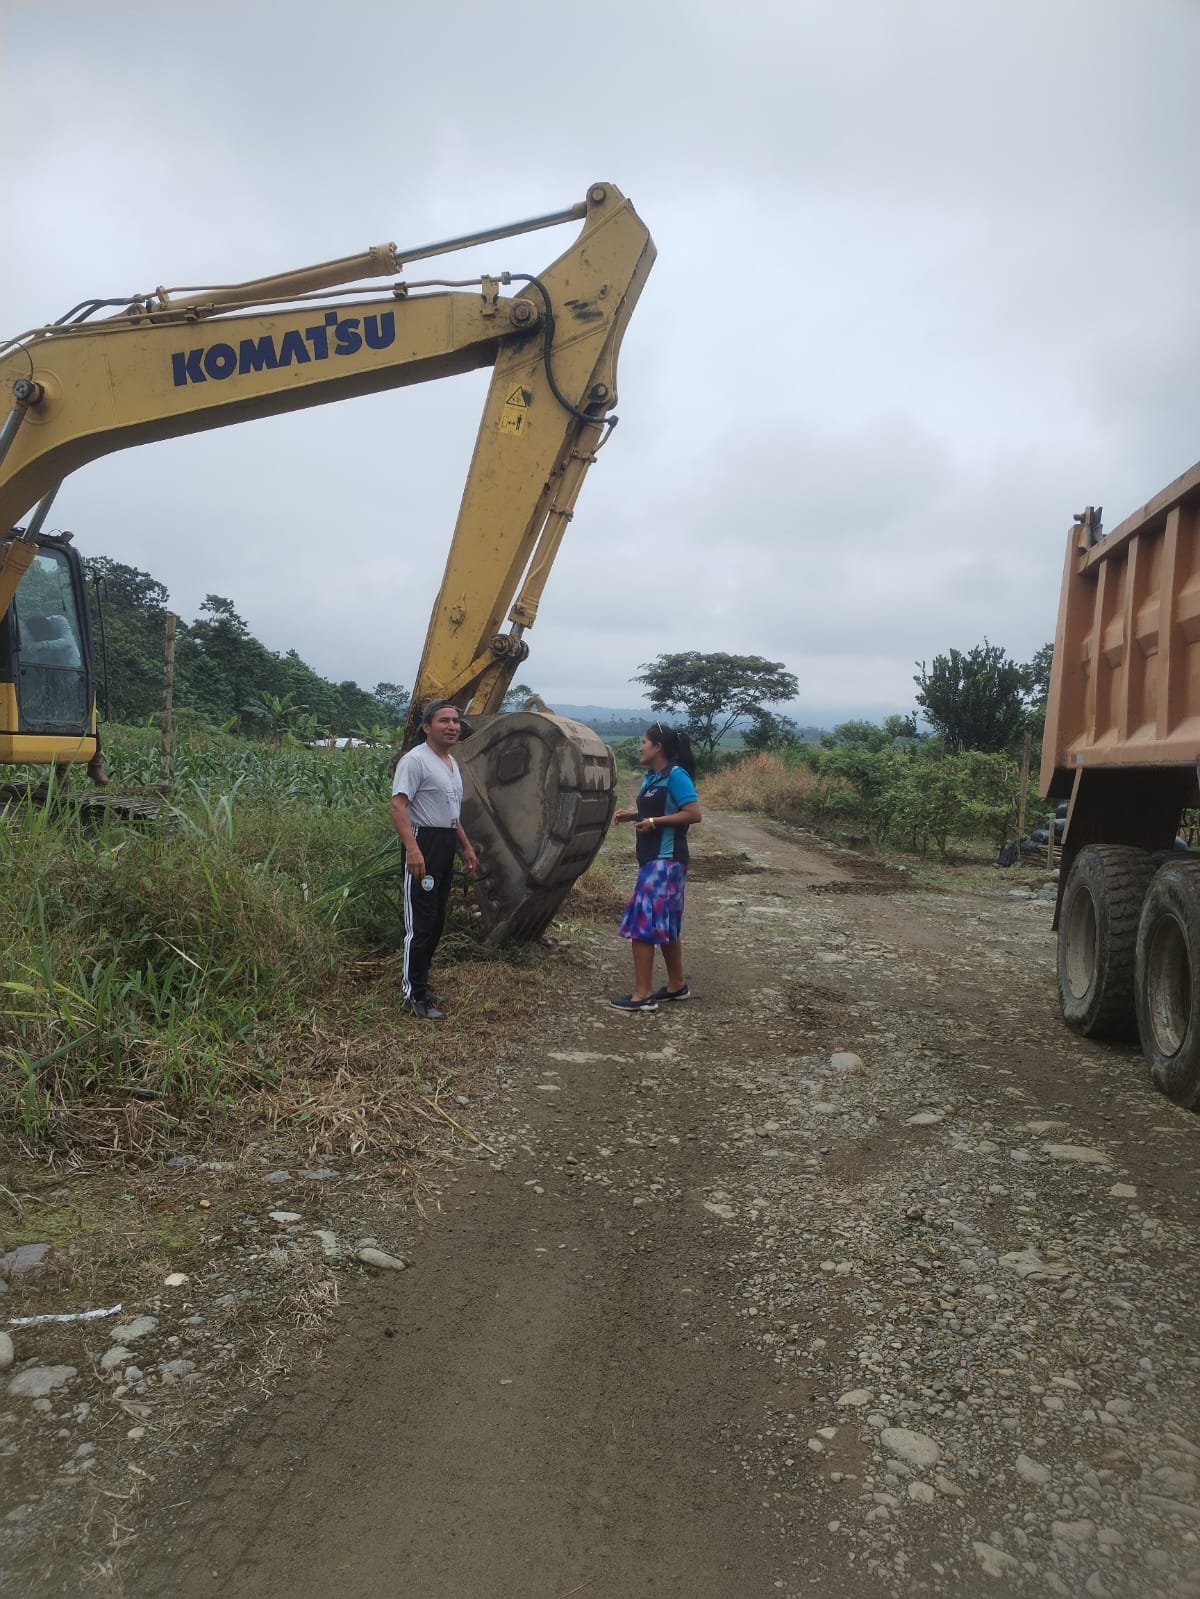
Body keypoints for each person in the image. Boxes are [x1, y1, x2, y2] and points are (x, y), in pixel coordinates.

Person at [389, 700, 478, 1020]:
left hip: (445, 842)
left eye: (456, 720)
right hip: (423, 843)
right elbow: (398, 806)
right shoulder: (415, 761)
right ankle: (413, 993)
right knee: (421, 924)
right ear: (427, 726)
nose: (453, 726)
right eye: (444, 721)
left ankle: (422, 984)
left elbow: (451, 813)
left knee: (437, 920)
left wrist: (465, 846)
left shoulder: (450, 763)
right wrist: (413, 850)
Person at [610, 721, 702, 1012]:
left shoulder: (676, 776)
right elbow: (660, 809)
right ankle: (677, 985)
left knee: (643, 926)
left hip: (665, 862)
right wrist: (634, 815)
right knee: (667, 924)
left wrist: (654, 822)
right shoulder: (654, 777)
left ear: (657, 747)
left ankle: (642, 995)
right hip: (658, 862)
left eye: (644, 742)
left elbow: (693, 813)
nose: (640, 747)